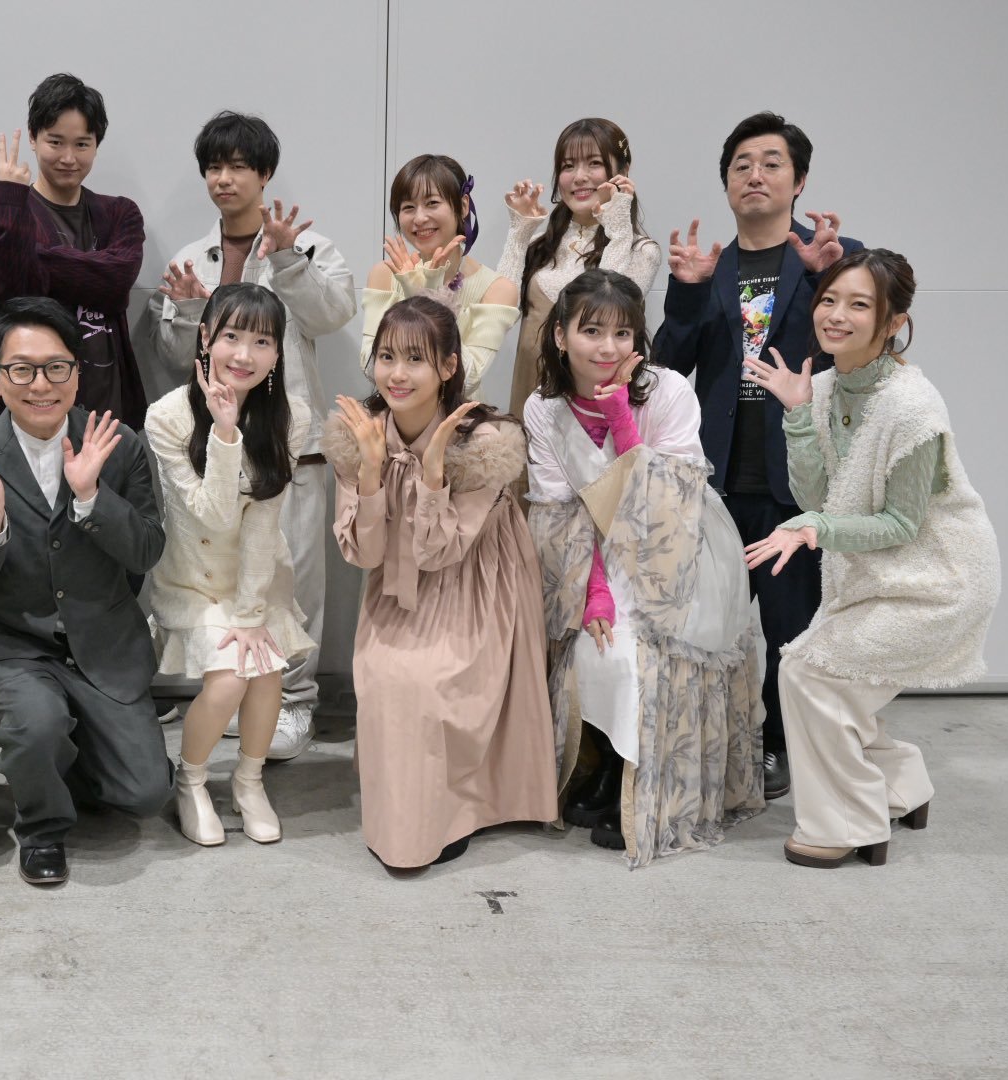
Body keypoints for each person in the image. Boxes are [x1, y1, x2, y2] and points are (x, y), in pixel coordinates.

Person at [740, 249, 999, 869]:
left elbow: (902, 524)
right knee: (830, 685)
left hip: (940, 581)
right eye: (829, 299)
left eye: (859, 305)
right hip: (881, 577)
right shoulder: (825, 387)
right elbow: (815, 498)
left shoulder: (913, 407)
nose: (836, 315)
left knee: (809, 675)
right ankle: (901, 784)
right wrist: (798, 415)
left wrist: (815, 528)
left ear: (893, 322)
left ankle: (847, 821)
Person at [653, 111, 862, 800]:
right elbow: (667, 363)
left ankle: (782, 746)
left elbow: (860, 351)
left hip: (794, 481)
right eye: (741, 165)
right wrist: (686, 293)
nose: (755, 175)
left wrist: (832, 277)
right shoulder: (710, 268)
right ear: (726, 183)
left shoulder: (834, 257)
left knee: (792, 628)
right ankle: (712, 742)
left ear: (799, 182)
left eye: (772, 163)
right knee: (707, 625)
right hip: (716, 480)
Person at [524, 270, 764, 865]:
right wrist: (594, 592)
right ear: (560, 335)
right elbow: (560, 516)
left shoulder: (669, 391)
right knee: (594, 648)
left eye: (623, 333)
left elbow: (670, 503)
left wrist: (620, 417)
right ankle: (605, 762)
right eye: (591, 331)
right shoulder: (543, 408)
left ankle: (634, 778)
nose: (608, 348)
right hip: (591, 553)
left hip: (677, 548)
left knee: (635, 657)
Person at [0, 298, 171, 886]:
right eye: (21, 369)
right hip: (15, 643)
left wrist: (92, 498)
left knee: (145, 794)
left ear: (77, 372)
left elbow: (147, 552)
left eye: (56, 367)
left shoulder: (118, 444)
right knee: (35, 726)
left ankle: (58, 763)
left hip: (105, 641)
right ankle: (40, 826)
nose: (40, 384)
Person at [147, 109, 355, 759]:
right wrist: (187, 313)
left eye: (238, 166)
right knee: (216, 572)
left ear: (264, 174)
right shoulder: (190, 259)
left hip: (287, 440)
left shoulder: (308, 246)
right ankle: (227, 686)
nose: (224, 179)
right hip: (211, 445)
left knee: (290, 578)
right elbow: (174, 357)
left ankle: (294, 700)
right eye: (214, 167)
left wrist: (288, 260)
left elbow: (334, 313)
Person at [326, 295, 556, 871]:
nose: (397, 374)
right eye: (386, 357)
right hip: (396, 585)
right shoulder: (357, 435)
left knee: (432, 684)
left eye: (415, 359)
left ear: (449, 367)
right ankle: (406, 815)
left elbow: (442, 552)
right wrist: (372, 472)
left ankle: (460, 809)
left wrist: (432, 475)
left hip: (474, 584)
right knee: (387, 677)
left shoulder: (485, 443)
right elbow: (364, 553)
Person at [147, 284, 314, 846]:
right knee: (226, 684)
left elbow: (264, 523)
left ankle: (248, 782)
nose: (244, 354)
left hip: (256, 579)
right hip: (192, 580)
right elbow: (212, 516)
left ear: (278, 353)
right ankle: (191, 781)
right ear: (205, 338)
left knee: (266, 674)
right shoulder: (168, 416)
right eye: (232, 337)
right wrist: (224, 431)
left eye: (262, 342)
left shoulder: (290, 418)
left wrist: (250, 614)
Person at [0, 73, 147, 427]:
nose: (69, 158)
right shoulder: (8, 213)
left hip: (108, 406)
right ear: (34, 139)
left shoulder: (120, 213)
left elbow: (117, 282)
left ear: (96, 145)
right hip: (33, 405)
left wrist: (25, 255)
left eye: (82, 144)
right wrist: (9, 206)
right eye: (55, 142)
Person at [496, 118, 661, 413]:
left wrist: (619, 228)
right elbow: (498, 315)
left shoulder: (640, 250)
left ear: (623, 171)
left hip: (594, 409)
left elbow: (606, 306)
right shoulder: (538, 245)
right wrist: (519, 232)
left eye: (594, 163)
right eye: (568, 166)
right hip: (529, 399)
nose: (579, 177)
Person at [361, 155, 518, 399]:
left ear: (463, 205)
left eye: (432, 203)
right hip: (396, 415)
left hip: (459, 418)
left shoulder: (497, 289)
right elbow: (370, 367)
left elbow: (467, 380)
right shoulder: (384, 274)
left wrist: (426, 300)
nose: (420, 218)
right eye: (408, 207)